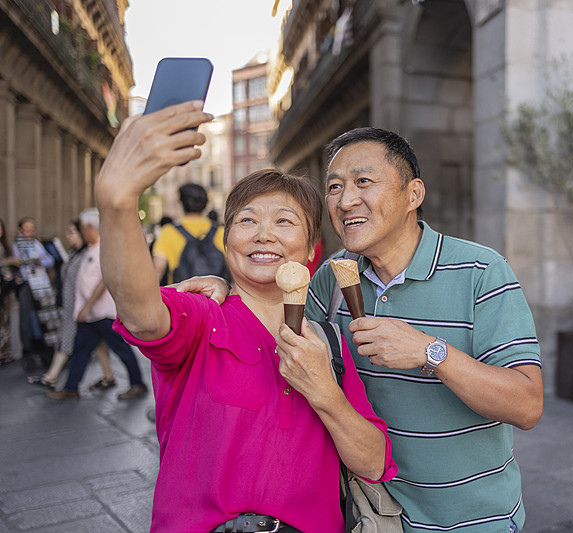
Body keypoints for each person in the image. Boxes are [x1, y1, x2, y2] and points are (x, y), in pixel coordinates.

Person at [184, 127, 544, 532]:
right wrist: (226, 289)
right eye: (334, 187)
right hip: (371, 515)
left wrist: (431, 352)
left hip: (472, 519)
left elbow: (527, 405)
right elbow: (272, 326)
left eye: (363, 181)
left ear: (413, 195)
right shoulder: (332, 278)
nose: (345, 199)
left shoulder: (480, 271)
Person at [93, 100, 397, 532]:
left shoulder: (328, 341)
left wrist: (324, 391)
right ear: (227, 240)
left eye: (284, 221)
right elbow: (143, 316)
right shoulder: (203, 317)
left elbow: (372, 460)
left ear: (312, 250)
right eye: (247, 220)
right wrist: (118, 205)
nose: (264, 234)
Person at [46, 209, 148, 401]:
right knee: (81, 349)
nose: (83, 233)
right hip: (90, 315)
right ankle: (71, 387)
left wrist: (87, 306)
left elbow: (103, 281)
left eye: (84, 229)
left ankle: (137, 383)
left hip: (102, 312)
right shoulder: (90, 249)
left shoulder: (104, 249)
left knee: (121, 349)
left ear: (92, 228)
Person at [27, 220, 116, 390]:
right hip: (75, 305)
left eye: (72, 232)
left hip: (82, 307)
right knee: (97, 344)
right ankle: (108, 376)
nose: (68, 236)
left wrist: (86, 305)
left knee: (71, 340)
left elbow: (97, 281)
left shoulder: (89, 253)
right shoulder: (76, 253)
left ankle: (54, 377)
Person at [151, 182, 226, 284]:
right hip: (217, 296)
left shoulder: (168, 231)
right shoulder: (220, 231)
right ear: (205, 203)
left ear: (181, 202)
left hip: (181, 296)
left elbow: (158, 271)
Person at [13, 216, 59, 369]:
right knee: (27, 318)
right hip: (27, 284)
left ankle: (46, 350)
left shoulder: (36, 243)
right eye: (27, 230)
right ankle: (29, 350)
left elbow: (49, 260)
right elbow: (21, 262)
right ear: (20, 231)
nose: (30, 233)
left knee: (44, 318)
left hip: (41, 284)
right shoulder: (17, 245)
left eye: (32, 230)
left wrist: (39, 260)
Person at [0, 217, 22, 366]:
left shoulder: (4, 245)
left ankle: (4, 350)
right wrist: (8, 262)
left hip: (5, 289)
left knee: (5, 319)